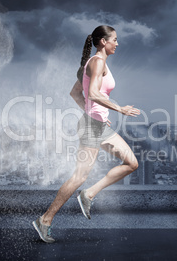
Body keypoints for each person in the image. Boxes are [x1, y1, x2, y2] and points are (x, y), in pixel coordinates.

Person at [33, 25, 140, 243]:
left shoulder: (90, 64)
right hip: (91, 127)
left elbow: (75, 93)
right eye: (115, 40)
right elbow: (91, 93)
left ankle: (88, 194)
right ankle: (44, 220)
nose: (117, 44)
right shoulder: (98, 62)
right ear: (103, 41)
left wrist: (96, 112)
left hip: (98, 125)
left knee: (131, 163)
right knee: (79, 177)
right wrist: (120, 109)